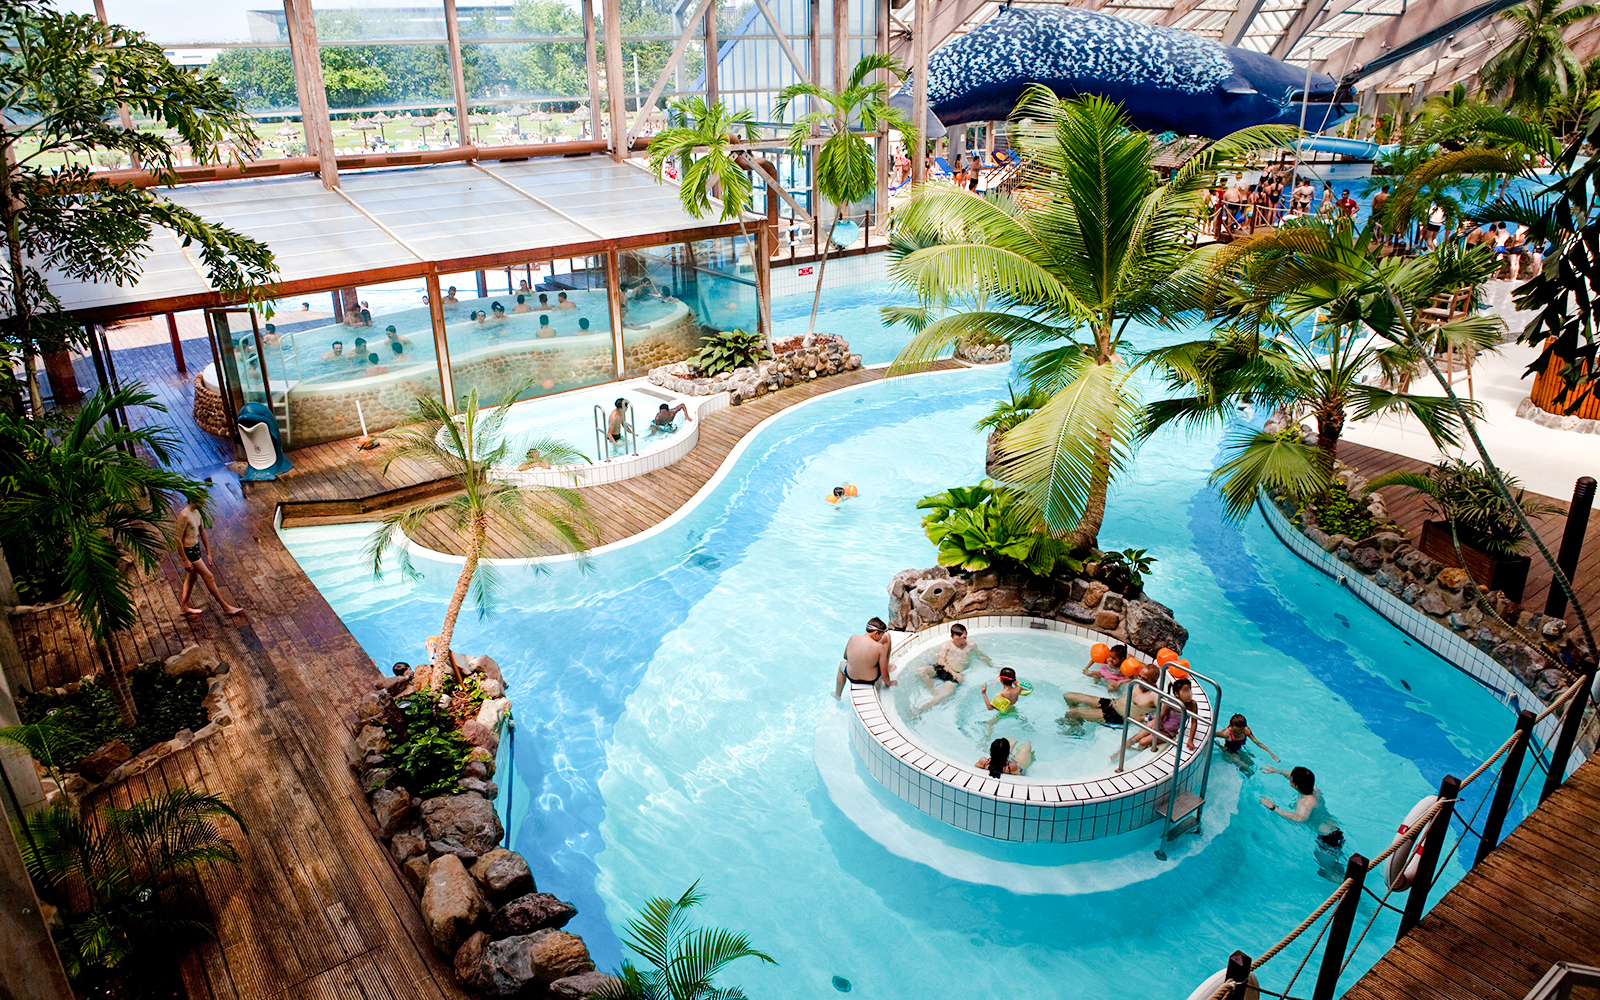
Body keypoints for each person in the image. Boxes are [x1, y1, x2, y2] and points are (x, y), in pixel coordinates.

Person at [1261, 765, 1346, 879]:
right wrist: (1276, 771)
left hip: (1327, 839)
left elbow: (1299, 818)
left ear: (1296, 785)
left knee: (1325, 870)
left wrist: (1273, 807)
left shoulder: (1305, 802)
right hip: (1336, 830)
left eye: (1291, 778)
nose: (1289, 776)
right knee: (1337, 861)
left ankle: (1346, 887)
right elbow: (1294, 776)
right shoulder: (1314, 789)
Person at [176, 493, 244, 616]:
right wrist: (185, 560)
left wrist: (208, 553)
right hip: (189, 551)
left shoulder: (197, 512)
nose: (204, 503)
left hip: (196, 548)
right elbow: (177, 538)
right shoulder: (184, 515)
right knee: (209, 577)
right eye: (202, 500)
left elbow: (202, 531)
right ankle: (226, 607)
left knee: (192, 578)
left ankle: (184, 607)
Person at [908, 622, 992, 718]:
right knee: (921, 670)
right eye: (959, 639)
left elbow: (980, 655)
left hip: (956, 673)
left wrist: (992, 665)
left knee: (945, 695)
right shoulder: (946, 645)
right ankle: (932, 690)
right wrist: (952, 673)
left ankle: (920, 710)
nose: (962, 641)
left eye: (964, 637)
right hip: (944, 669)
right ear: (951, 636)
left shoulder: (971, 645)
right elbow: (941, 661)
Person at [1109, 676, 1199, 760]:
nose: (1189, 694)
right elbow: (1161, 716)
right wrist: (1156, 728)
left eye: (1189, 690)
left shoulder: (1192, 705)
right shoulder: (1170, 703)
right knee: (1137, 737)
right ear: (1176, 694)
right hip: (1159, 723)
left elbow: (1194, 722)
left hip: (1169, 732)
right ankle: (1119, 752)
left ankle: (1136, 751)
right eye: (1185, 691)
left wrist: (1190, 740)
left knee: (1143, 742)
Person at [1065, 661, 1159, 727]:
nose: (1140, 680)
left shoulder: (1154, 695)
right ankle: (1077, 721)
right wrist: (1120, 682)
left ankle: (1076, 728)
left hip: (1117, 716)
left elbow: (1163, 714)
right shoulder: (1138, 683)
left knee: (1073, 713)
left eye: (1144, 679)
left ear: (1154, 681)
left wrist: (1143, 718)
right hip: (1111, 703)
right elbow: (1130, 659)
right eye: (1139, 676)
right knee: (1068, 696)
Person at [833, 617, 895, 697]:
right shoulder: (879, 647)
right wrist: (889, 683)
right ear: (876, 633)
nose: (880, 639)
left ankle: (837, 694)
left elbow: (845, 657)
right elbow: (884, 674)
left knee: (841, 664)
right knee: (880, 663)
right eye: (881, 635)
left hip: (851, 676)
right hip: (870, 679)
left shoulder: (853, 638)